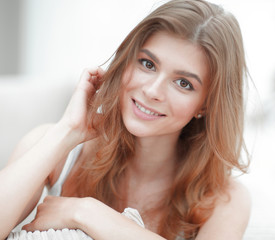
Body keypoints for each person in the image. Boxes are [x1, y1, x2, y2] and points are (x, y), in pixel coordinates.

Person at [0, 0, 251, 239]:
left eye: (183, 83)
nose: (152, 91)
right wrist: (68, 130)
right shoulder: (55, 147)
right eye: (147, 64)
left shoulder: (224, 198)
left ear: (206, 105)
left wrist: (86, 212)